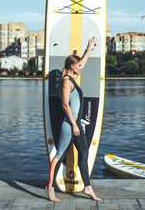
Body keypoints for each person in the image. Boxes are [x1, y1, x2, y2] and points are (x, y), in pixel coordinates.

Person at [45, 37, 101, 202]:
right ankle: (50, 187)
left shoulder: (72, 78)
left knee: (84, 153)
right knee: (60, 154)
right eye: (78, 66)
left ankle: (87, 187)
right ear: (71, 66)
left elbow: (82, 63)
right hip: (70, 126)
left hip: (76, 126)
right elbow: (64, 105)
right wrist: (74, 124)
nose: (81, 68)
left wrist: (88, 49)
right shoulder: (66, 82)